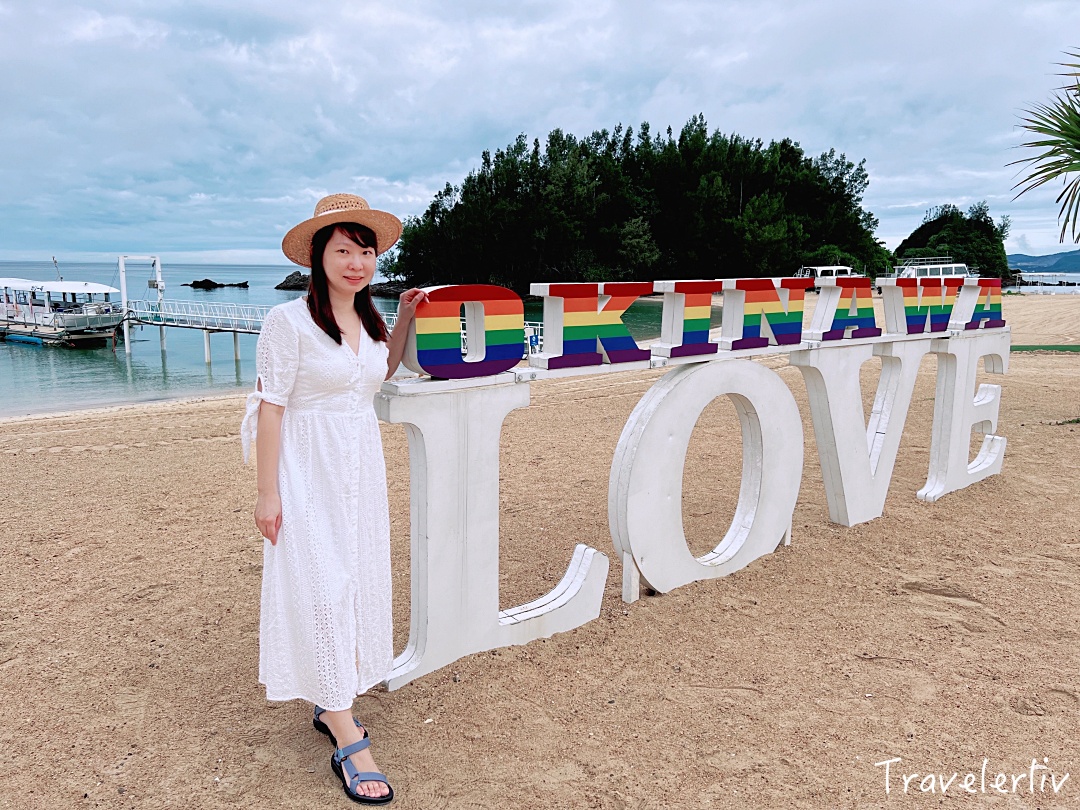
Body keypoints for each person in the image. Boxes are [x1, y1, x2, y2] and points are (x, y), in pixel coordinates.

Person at [241, 193, 426, 805]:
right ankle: (348, 734)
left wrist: (401, 316)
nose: (356, 261)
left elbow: (382, 368)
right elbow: (271, 408)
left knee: (357, 581)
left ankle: (330, 696)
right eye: (343, 249)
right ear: (319, 257)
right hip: (303, 469)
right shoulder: (288, 322)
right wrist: (267, 493)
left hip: (359, 471)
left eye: (365, 250)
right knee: (322, 583)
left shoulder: (367, 321)